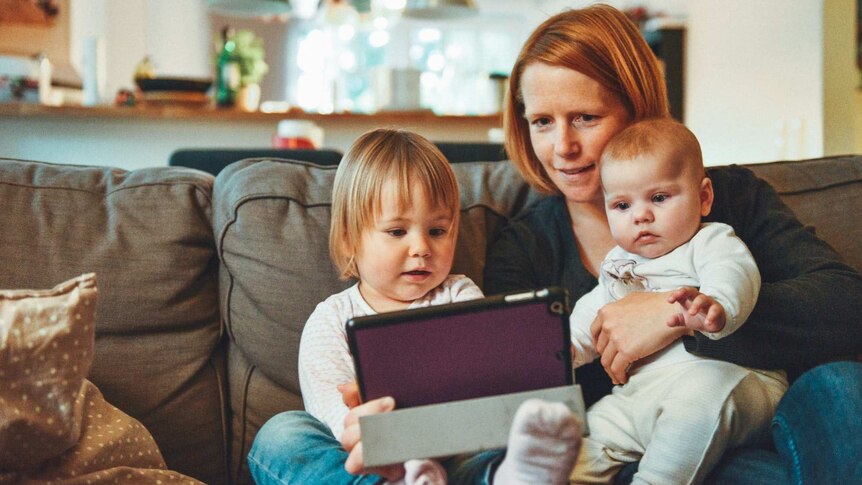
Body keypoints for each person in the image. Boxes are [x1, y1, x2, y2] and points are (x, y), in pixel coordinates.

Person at [482, 4, 862, 483]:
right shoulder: (523, 247)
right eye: (542, 122)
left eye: (585, 117)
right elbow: (519, 384)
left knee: (844, 384)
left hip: (754, 414)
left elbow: (848, 306)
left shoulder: (729, 199)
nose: (563, 147)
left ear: (636, 110)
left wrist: (674, 316)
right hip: (633, 446)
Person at [247, 128, 582, 485]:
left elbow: (481, 387)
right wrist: (384, 437)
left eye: (437, 231)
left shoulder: (459, 296)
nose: (421, 247)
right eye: (396, 232)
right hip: (370, 460)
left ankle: (511, 477)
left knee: (496, 444)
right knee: (281, 434)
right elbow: (334, 418)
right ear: (349, 240)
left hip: (453, 452)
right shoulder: (330, 320)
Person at [565, 118, 787, 484]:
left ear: (703, 197)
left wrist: (716, 305)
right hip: (640, 396)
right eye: (621, 205)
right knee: (580, 440)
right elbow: (597, 310)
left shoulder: (710, 241)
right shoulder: (618, 262)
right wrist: (567, 348)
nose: (641, 216)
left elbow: (734, 272)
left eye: (659, 198)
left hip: (727, 381)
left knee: (695, 406)